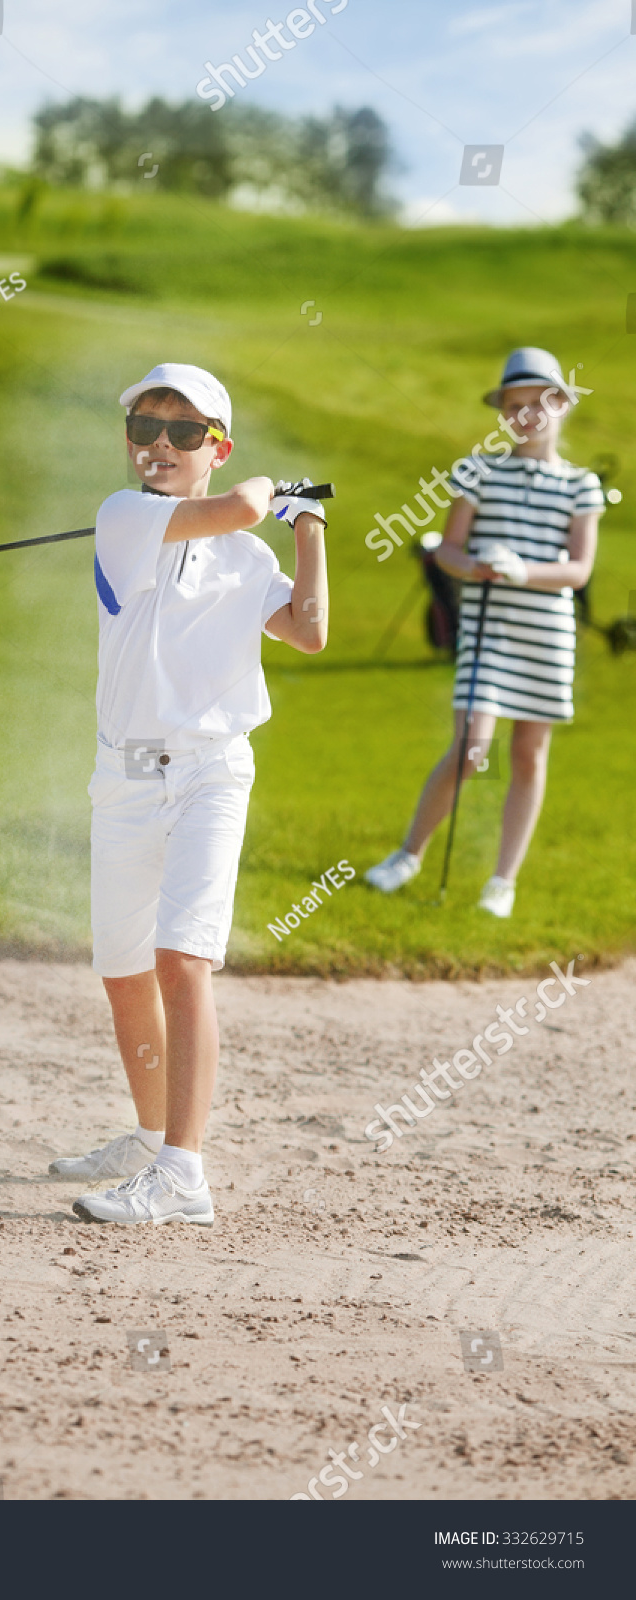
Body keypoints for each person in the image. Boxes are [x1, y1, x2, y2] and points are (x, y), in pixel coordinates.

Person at [50, 362, 329, 1225]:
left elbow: (310, 631)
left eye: (182, 432)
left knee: (181, 960)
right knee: (122, 971)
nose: (159, 445)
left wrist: (309, 524)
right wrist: (274, 492)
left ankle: (182, 1174)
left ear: (217, 445)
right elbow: (243, 505)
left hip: (210, 771)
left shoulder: (245, 559)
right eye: (144, 429)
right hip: (124, 776)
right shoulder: (124, 516)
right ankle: (146, 1136)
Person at [365, 347, 604, 918]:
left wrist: (523, 569)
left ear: (561, 404)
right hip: (488, 629)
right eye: (513, 406)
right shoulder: (477, 470)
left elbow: (579, 570)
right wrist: (471, 564)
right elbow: (446, 549)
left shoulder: (582, 485)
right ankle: (408, 855)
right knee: (473, 749)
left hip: (546, 636)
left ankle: (503, 882)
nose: (525, 417)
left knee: (527, 755)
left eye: (537, 404)